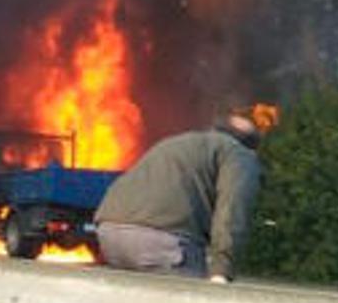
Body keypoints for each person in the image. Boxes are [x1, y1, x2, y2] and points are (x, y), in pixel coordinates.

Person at [93, 113, 262, 283]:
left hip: (110, 233)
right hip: (161, 242)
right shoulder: (239, 154)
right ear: (253, 147)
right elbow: (232, 212)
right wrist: (222, 269)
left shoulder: (178, 142)